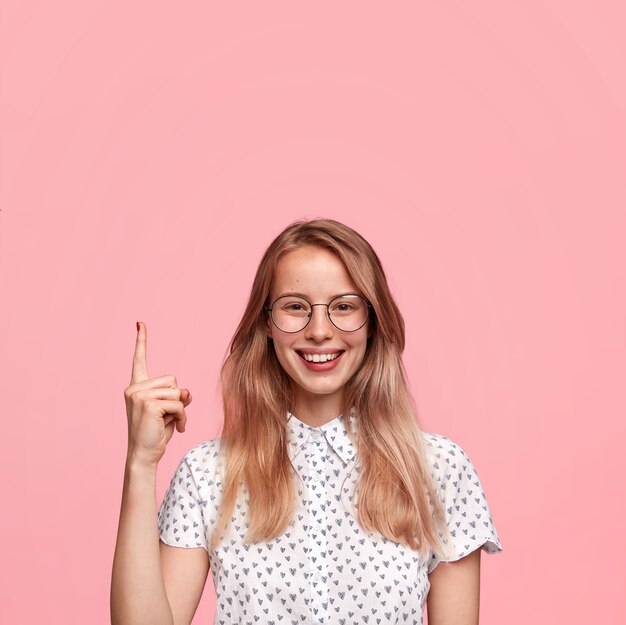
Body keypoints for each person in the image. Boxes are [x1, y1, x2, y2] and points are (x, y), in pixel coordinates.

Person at [111, 218, 502, 625]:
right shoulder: (208, 474)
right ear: (266, 322)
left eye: (344, 307)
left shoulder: (439, 470)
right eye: (295, 306)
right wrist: (140, 463)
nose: (319, 331)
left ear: (372, 321)